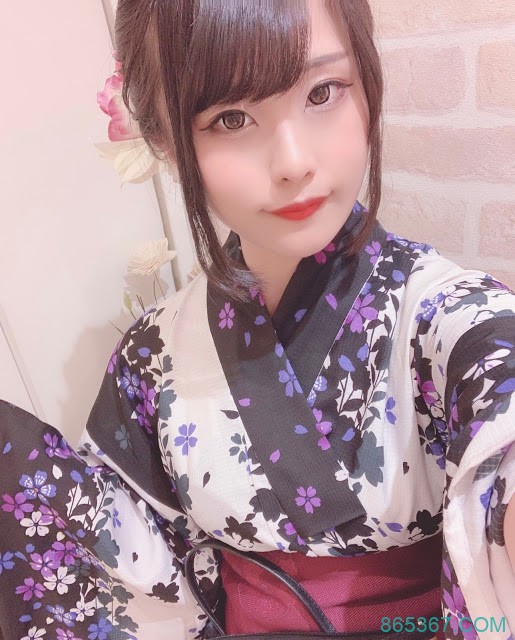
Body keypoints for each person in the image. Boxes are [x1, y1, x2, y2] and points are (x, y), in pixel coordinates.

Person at [0, 1, 514, 639]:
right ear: (164, 139)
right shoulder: (152, 352)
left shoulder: (455, 323)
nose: (294, 160)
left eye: (323, 91)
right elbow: (128, 558)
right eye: (231, 118)